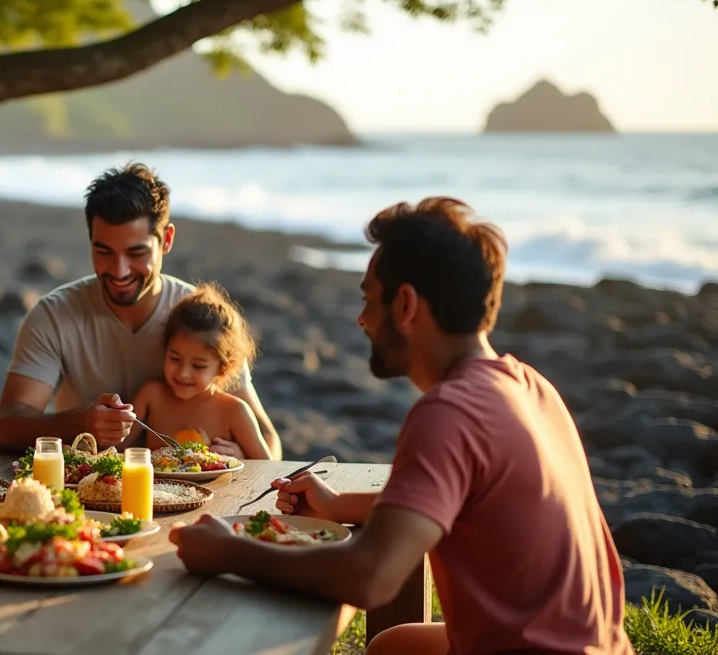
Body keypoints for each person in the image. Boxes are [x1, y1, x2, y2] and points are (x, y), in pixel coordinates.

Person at [169, 197, 632, 655]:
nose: (362, 318)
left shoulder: (449, 413)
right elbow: (457, 496)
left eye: (370, 298)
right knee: (395, 645)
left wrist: (229, 553)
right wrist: (337, 505)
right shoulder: (530, 386)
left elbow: (371, 577)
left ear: (406, 304)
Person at [0, 162, 281, 458]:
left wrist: (243, 458)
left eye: (136, 252)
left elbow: (268, 440)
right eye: (104, 252)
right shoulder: (54, 316)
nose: (119, 271)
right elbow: (6, 430)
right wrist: (80, 422)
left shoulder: (202, 317)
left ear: (166, 240)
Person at [133, 281, 272, 459]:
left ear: (224, 367)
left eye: (198, 366)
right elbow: (117, 447)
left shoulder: (235, 411)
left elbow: (266, 468)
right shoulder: (152, 395)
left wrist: (242, 459)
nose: (183, 373)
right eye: (175, 358)